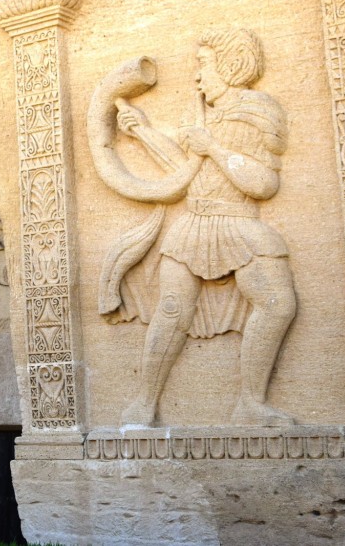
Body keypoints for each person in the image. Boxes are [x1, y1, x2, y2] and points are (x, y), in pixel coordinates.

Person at [116, 29, 297, 426]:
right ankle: (144, 405)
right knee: (171, 311)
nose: (197, 76)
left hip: (239, 222)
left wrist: (213, 146)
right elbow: (186, 171)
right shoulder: (198, 114)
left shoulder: (258, 112)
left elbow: (264, 184)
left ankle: (251, 404)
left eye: (204, 64)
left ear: (231, 66)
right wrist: (141, 131)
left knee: (277, 303)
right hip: (194, 224)